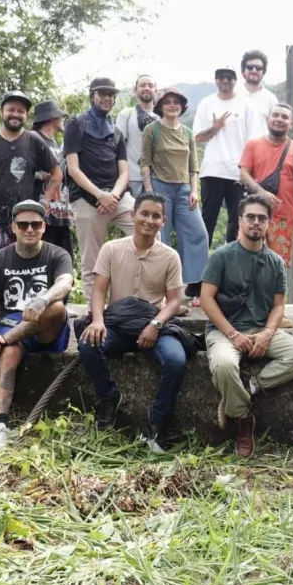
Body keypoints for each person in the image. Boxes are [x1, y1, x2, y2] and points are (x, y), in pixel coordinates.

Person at [200, 195, 293, 458]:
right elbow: (206, 299)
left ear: (269, 224)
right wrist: (232, 334)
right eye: (250, 217)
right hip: (225, 330)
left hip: (261, 330)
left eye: (262, 218)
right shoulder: (222, 256)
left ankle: (250, 387)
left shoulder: (275, 262)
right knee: (225, 365)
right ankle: (242, 417)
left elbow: (278, 307)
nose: (256, 222)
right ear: (240, 221)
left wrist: (267, 333)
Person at [77, 193, 188, 453]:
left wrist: (156, 324)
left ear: (163, 221)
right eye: (144, 214)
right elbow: (98, 291)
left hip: (154, 325)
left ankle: (158, 423)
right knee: (87, 344)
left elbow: (173, 301)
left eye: (156, 216)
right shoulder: (111, 249)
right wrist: (97, 320)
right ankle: (109, 398)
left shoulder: (170, 256)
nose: (149, 220)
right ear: (132, 215)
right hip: (117, 323)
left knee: (176, 360)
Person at [0, 200, 73, 451]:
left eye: (36, 224)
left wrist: (43, 300)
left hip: (47, 325)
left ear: (43, 227)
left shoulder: (57, 254)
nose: (30, 229)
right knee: (8, 353)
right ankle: (0, 426)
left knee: (58, 308)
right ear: (14, 227)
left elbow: (65, 283)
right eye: (24, 224)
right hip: (12, 323)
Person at [0, 91, 60, 341]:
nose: (16, 114)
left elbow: (56, 172)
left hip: (24, 221)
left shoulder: (34, 141)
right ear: (2, 111)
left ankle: (9, 316)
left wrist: (45, 202)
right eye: (11, 109)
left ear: (26, 115)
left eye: (21, 111)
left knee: (20, 269)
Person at [64, 77, 136, 289]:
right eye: (102, 94)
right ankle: (91, 311)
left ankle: (141, 297)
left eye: (111, 95)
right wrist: (99, 195)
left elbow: (124, 172)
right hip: (87, 200)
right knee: (90, 260)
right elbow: (73, 168)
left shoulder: (116, 131)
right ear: (92, 96)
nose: (107, 98)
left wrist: (112, 195)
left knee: (150, 234)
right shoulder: (76, 125)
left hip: (118, 198)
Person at [140, 86, 208, 297]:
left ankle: (193, 286)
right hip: (160, 187)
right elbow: (145, 163)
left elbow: (193, 165)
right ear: (160, 106)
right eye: (168, 102)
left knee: (198, 234)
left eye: (176, 102)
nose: (172, 106)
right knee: (161, 237)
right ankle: (161, 289)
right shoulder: (152, 129)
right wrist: (150, 193)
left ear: (182, 107)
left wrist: (194, 191)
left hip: (184, 189)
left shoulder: (187, 132)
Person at [240, 103, 293, 266]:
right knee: (245, 262)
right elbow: (243, 175)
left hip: (285, 216)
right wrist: (261, 192)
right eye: (276, 115)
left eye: (284, 117)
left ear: (291, 123)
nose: (279, 119)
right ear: (267, 119)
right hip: (253, 214)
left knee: (277, 266)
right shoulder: (253, 144)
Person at [193, 66, 253, 245]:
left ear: (236, 80)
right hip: (212, 170)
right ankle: (201, 266)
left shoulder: (245, 104)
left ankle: (233, 264)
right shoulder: (206, 103)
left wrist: (249, 171)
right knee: (207, 219)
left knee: (237, 221)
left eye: (229, 77)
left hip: (237, 172)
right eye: (221, 77)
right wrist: (215, 127)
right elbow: (196, 137)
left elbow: (252, 141)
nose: (225, 80)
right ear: (216, 80)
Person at [31, 100, 75, 258]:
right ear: (51, 118)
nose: (63, 120)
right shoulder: (33, 138)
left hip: (60, 212)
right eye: (60, 117)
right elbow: (22, 170)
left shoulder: (56, 143)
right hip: (42, 207)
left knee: (63, 257)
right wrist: (46, 175)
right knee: (42, 256)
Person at [115, 75, 159, 196]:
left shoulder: (162, 117)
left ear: (156, 90)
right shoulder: (126, 114)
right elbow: (118, 147)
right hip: (134, 178)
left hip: (160, 179)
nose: (146, 88)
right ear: (135, 91)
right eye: (142, 85)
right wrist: (122, 177)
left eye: (150, 85)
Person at [236, 50, 275, 140]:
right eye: (250, 67)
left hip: (262, 152)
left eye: (258, 68)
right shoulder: (232, 95)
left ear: (263, 72)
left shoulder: (271, 99)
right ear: (243, 71)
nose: (254, 70)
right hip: (236, 152)